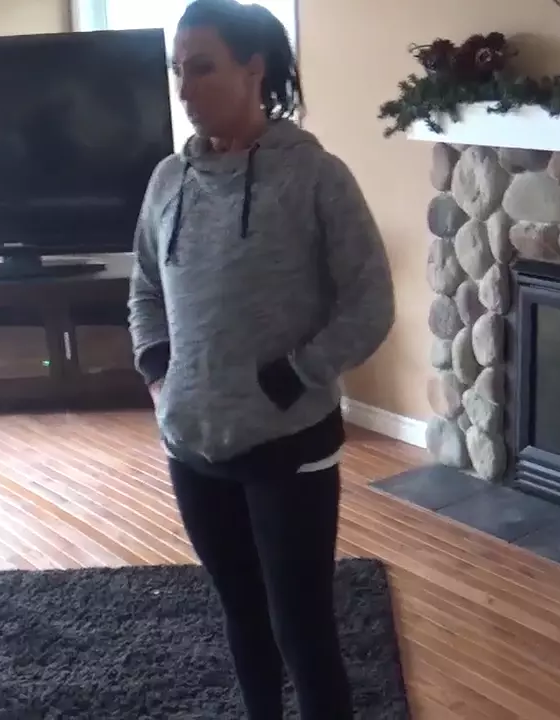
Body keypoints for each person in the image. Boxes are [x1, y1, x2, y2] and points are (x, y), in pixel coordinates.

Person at [126, 2, 394, 718]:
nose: (184, 89)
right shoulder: (167, 181)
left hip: (288, 443)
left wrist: (296, 375)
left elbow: (370, 303)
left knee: (303, 632)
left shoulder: (316, 177)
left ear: (254, 69)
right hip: (191, 443)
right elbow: (146, 287)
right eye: (178, 71)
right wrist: (159, 372)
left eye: (201, 68)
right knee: (241, 616)